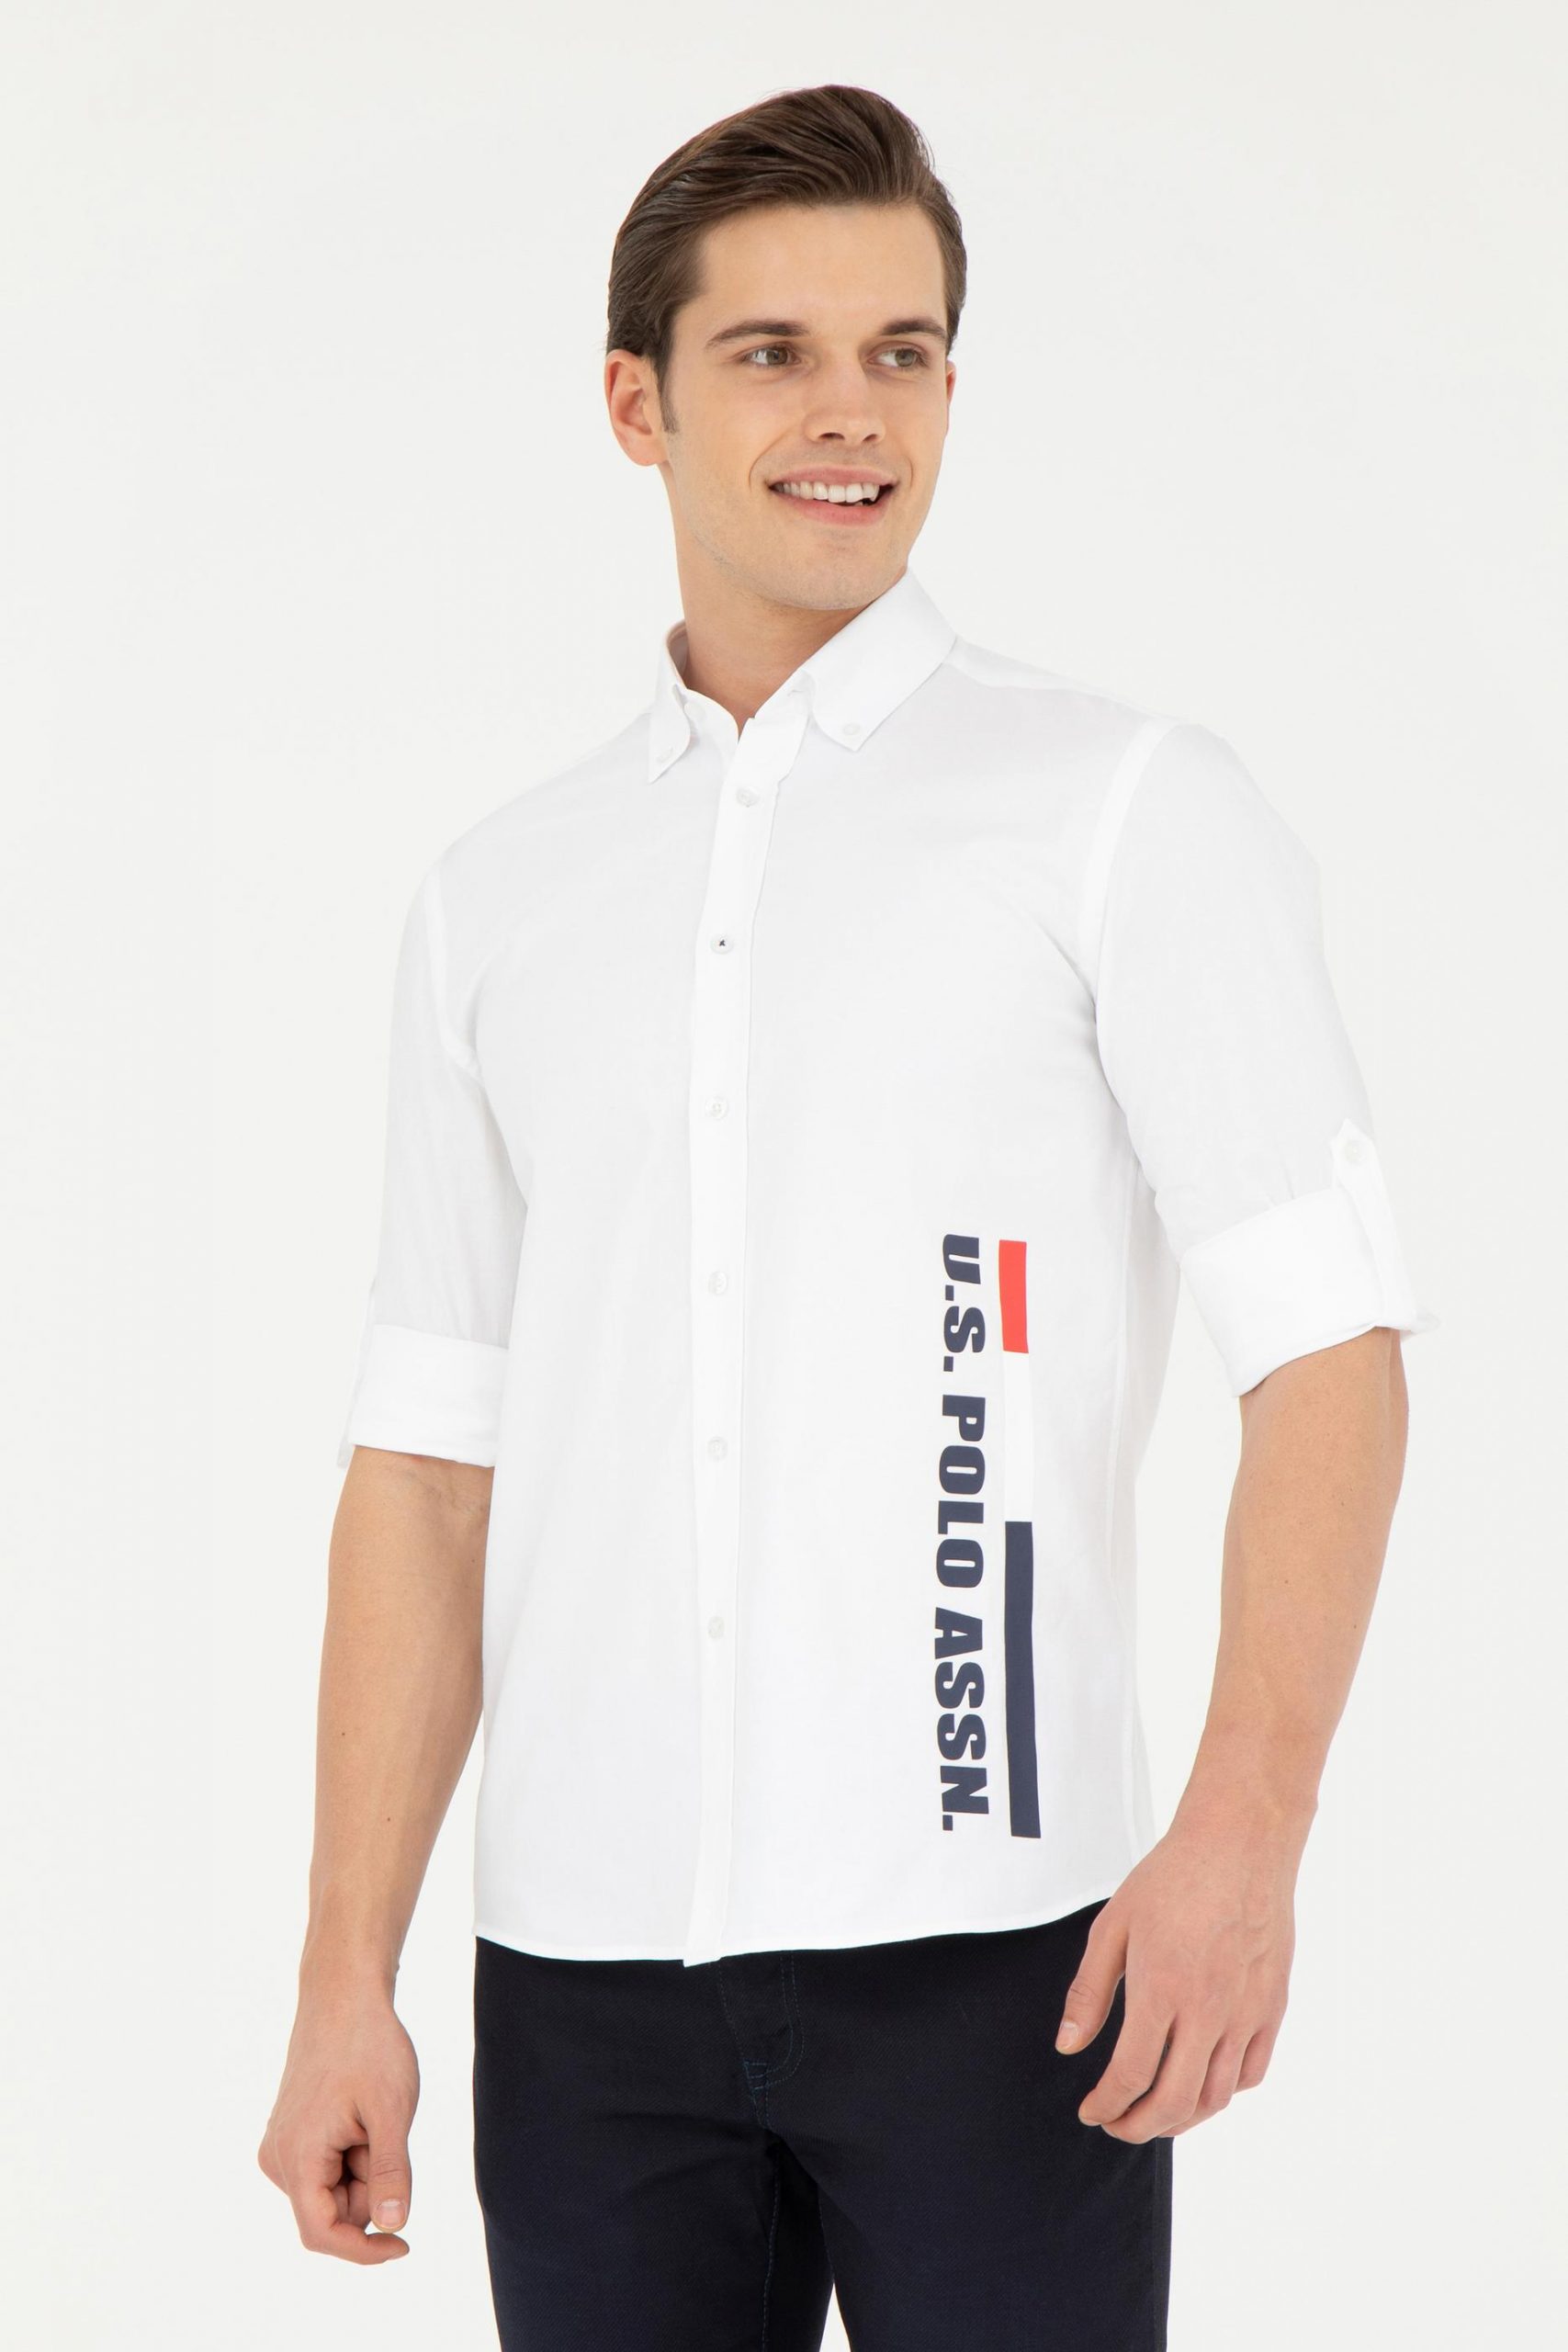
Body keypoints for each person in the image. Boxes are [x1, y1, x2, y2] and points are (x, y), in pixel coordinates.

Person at [257, 81, 1437, 2351]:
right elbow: (421, 1467)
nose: (849, 412)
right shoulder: (499, 897)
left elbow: (1325, 1352)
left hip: (1002, 1958)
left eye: (901, 352)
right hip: (581, 1985)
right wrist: (344, 1972)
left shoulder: (1118, 809)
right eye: (772, 352)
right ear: (636, 402)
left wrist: (1241, 1830)